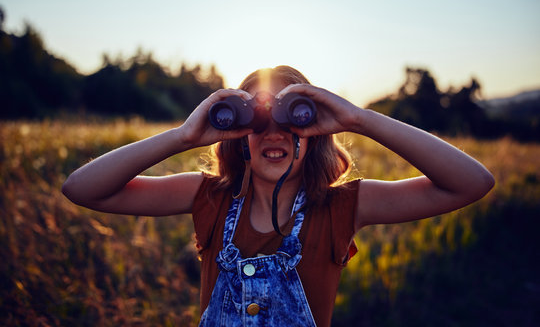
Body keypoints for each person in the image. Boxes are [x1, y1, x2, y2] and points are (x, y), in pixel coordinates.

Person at [62, 65, 494, 327]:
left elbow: (471, 182)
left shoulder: (341, 207)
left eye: (292, 120)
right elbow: (81, 189)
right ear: (238, 135)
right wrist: (183, 136)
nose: (274, 133)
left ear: (317, 132)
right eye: (256, 121)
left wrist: (358, 119)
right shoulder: (210, 197)